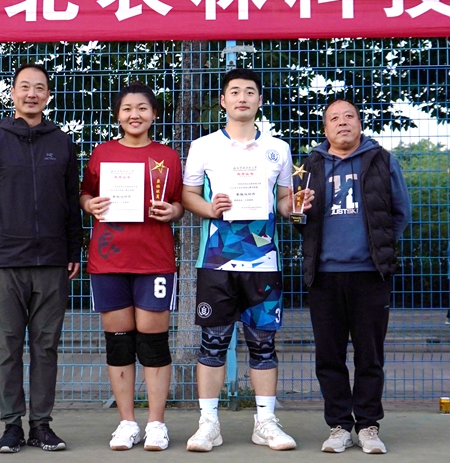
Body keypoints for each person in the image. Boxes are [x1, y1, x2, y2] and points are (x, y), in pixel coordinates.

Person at [182, 67, 310, 452]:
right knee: (212, 343)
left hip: (264, 263)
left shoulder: (278, 149)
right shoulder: (204, 146)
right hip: (216, 262)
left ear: (259, 100)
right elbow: (188, 195)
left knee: (263, 345)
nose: (242, 97)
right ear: (223, 101)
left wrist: (296, 207)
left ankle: (265, 422)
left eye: (250, 91)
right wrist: (209, 208)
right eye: (235, 91)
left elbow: (285, 201)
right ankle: (208, 424)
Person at [0, 63, 82, 454]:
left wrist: (73, 250)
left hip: (52, 262)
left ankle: (42, 425)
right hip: (4, 262)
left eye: (39, 88)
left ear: (48, 95)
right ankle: (11, 425)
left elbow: (71, 202)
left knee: (46, 347)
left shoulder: (62, 143)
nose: (32, 94)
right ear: (13, 93)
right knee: (8, 347)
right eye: (24, 87)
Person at [295, 98, 411, 455]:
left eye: (349, 116)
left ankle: (369, 425)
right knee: (328, 356)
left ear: (360, 124)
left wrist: (378, 246)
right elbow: (298, 218)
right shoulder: (309, 165)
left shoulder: (381, 160)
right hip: (324, 275)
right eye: (334, 118)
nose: (342, 122)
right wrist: (298, 211)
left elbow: (400, 213)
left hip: (370, 273)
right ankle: (339, 426)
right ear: (325, 128)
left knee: (369, 355)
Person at [80, 82, 184, 451]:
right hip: (109, 260)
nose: (134, 114)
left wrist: (172, 211)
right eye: (127, 108)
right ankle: (127, 423)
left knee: (153, 342)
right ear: (118, 115)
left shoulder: (167, 156)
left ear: (154, 114)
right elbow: (85, 193)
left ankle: (156, 423)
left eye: (142, 108)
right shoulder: (102, 153)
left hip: (154, 260)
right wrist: (88, 204)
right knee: (119, 342)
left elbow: (179, 202)